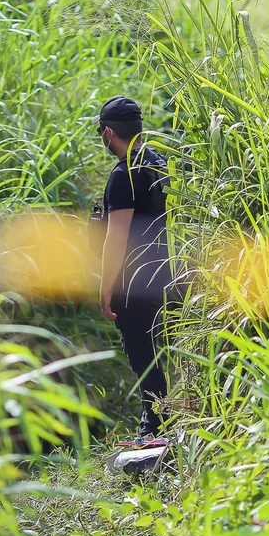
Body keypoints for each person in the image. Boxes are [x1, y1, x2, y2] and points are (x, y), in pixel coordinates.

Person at [94, 96, 175, 446]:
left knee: (141, 351)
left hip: (133, 278)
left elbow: (116, 237)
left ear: (109, 132)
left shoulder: (122, 175)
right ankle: (160, 420)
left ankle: (155, 427)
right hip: (164, 270)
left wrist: (105, 285)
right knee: (158, 349)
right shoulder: (157, 161)